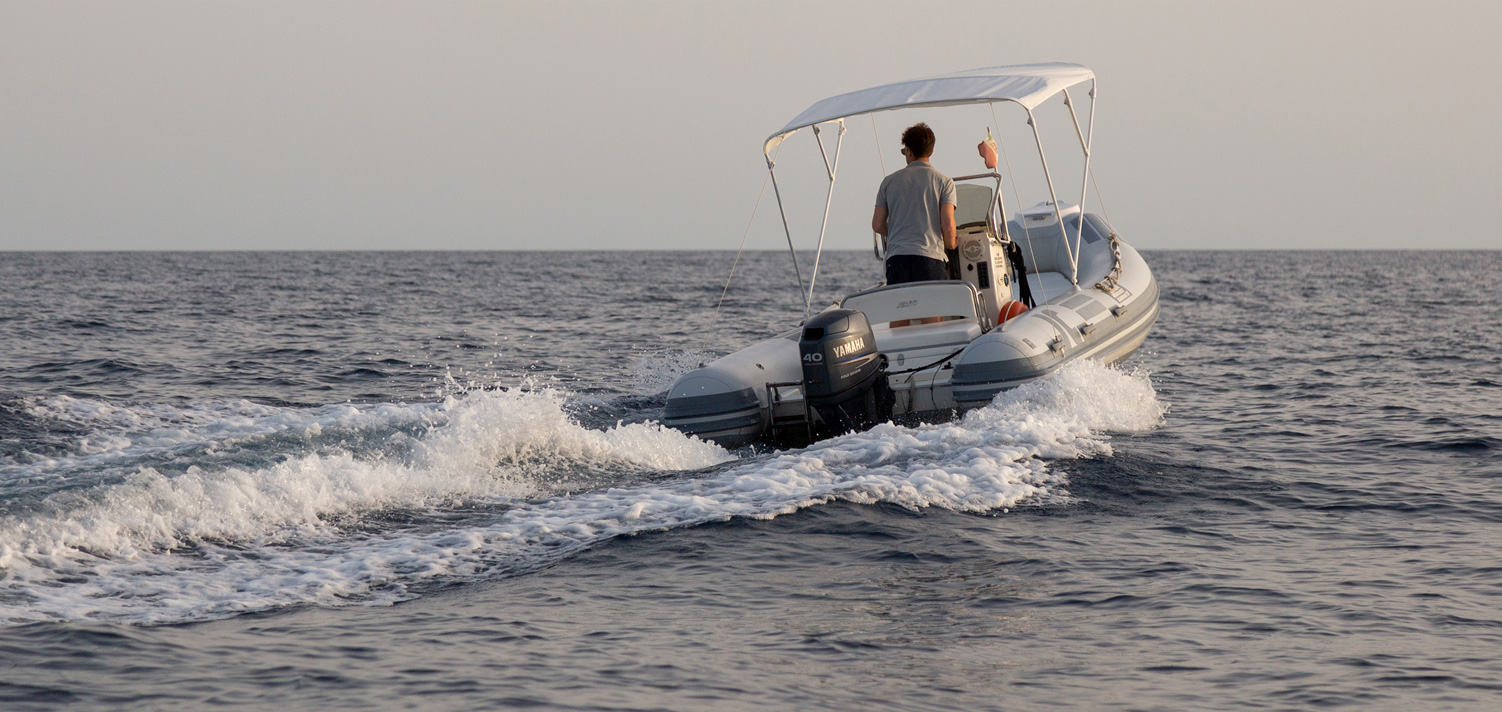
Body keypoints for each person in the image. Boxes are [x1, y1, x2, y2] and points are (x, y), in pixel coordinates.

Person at [871, 122, 956, 325]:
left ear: (908, 151)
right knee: (931, 319)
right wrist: (951, 244)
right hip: (930, 258)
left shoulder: (888, 182)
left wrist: (895, 234)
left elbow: (876, 224)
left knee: (899, 320)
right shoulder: (944, 182)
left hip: (897, 258)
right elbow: (948, 226)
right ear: (932, 151)